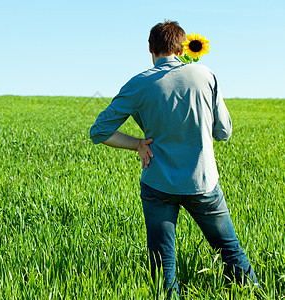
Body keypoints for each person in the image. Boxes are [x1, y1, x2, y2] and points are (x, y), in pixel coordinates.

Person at [89, 20, 258, 298]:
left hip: (158, 185)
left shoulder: (139, 84)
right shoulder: (205, 74)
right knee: (230, 250)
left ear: (150, 48)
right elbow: (224, 132)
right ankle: (254, 293)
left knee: (162, 265)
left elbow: (99, 132)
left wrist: (138, 144)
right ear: (182, 47)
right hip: (202, 183)